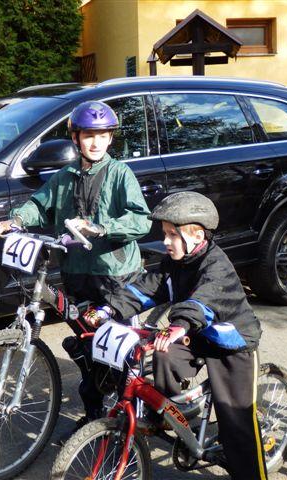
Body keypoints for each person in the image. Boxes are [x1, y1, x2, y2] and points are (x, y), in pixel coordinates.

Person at [0, 100, 151, 429]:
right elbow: (40, 206)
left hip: (115, 275)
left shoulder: (120, 173)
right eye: (88, 135)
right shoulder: (65, 176)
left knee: (120, 348)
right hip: (76, 272)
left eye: (102, 135)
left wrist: (102, 228)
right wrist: (15, 220)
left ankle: (130, 420)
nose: (95, 142)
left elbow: (141, 219)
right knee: (88, 347)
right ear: (75, 138)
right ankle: (94, 417)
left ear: (111, 138)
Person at [84, 191, 267, 480]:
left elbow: (203, 302)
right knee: (164, 353)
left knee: (237, 424)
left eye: (172, 234)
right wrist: (109, 308)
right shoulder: (176, 262)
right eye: (165, 234)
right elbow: (147, 288)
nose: (166, 241)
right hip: (196, 334)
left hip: (231, 344)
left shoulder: (217, 267)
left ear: (197, 236)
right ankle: (173, 414)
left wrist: (178, 325)